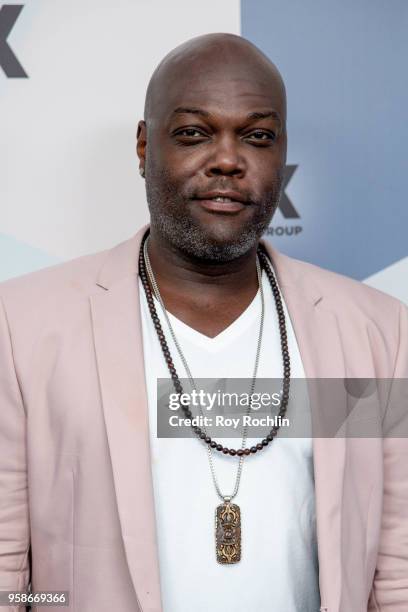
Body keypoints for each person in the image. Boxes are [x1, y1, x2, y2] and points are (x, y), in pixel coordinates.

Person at [0, 33, 407, 612]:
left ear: (281, 156)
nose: (226, 159)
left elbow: (396, 575)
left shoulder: (378, 336)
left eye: (257, 136)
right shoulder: (22, 328)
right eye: (193, 133)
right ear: (144, 147)